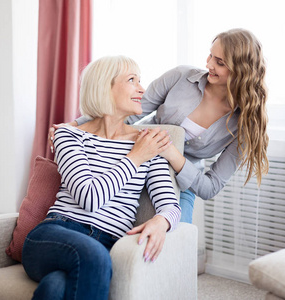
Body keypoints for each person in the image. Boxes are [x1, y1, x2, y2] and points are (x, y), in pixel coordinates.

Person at [49, 28, 268, 224]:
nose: (209, 64)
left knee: (172, 238)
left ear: (241, 71)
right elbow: (130, 111)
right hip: (134, 158)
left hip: (180, 184)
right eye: (211, 55)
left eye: (220, 63)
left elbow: (210, 187)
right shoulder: (182, 77)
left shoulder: (246, 124)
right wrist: (75, 125)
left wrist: (174, 156)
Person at [23, 55, 181, 300]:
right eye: (132, 80)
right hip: (54, 234)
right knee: (93, 256)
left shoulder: (149, 142)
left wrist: (162, 221)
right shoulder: (69, 135)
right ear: (104, 86)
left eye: (141, 80)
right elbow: (90, 198)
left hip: (108, 244)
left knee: (55, 288)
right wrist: (135, 158)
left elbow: (170, 205)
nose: (142, 89)